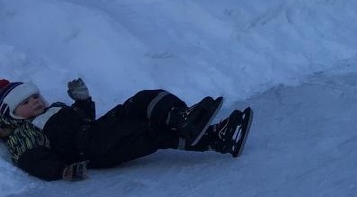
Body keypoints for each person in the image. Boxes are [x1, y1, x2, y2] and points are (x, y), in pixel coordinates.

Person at [0, 77, 252, 182]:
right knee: (149, 131)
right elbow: (34, 161)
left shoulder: (53, 108)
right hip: (92, 149)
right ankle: (209, 134)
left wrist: (82, 101)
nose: (34, 101)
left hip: (97, 132)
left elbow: (82, 120)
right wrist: (63, 171)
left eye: (34, 96)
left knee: (143, 100)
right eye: (24, 102)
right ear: (10, 114)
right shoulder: (23, 133)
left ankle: (190, 122)